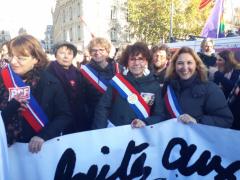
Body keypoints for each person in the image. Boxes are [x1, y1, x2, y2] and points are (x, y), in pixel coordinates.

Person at [0, 35, 72, 153]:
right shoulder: (3, 78)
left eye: (21, 58)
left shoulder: (51, 82)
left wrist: (43, 136)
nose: (13, 61)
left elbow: (64, 115)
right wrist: (11, 107)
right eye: (11, 56)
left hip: (37, 152)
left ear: (36, 59)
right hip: (5, 150)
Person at [92, 42, 166, 129]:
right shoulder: (117, 81)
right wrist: (101, 131)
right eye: (132, 59)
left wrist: (145, 122)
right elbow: (103, 108)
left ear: (146, 61)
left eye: (141, 59)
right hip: (115, 131)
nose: (136, 63)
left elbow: (160, 115)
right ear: (127, 62)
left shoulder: (154, 85)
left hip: (141, 134)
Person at [162, 46, 233, 128]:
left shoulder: (210, 89)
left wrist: (197, 121)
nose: (185, 68)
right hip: (172, 138)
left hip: (197, 140)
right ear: (174, 66)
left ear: (196, 65)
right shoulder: (168, 87)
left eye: (189, 63)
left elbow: (226, 120)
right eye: (180, 63)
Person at [80, 37, 121, 129]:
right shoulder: (84, 72)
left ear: (107, 51)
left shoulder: (118, 69)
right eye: (94, 50)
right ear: (90, 53)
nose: (97, 53)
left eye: (101, 50)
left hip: (116, 115)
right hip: (94, 116)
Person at [47, 42, 86, 132]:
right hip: (57, 119)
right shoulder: (47, 72)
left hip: (77, 118)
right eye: (62, 53)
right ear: (56, 55)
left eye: (69, 53)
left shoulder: (78, 73)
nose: (66, 56)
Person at [213, 50, 240, 130]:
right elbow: (214, 88)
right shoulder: (218, 72)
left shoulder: (236, 71)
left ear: (227, 61)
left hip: (233, 108)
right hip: (220, 106)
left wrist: (221, 77)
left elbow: (233, 87)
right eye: (217, 59)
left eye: (220, 60)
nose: (217, 62)